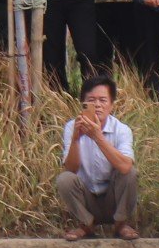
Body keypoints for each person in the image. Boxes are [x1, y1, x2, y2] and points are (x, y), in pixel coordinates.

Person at [55, 74, 139, 239]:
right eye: (92, 100)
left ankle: (120, 224)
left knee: (130, 173)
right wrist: (75, 139)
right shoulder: (72, 126)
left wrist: (98, 137)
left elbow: (125, 167)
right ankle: (87, 225)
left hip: (112, 198)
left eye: (103, 100)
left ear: (112, 105)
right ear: (83, 104)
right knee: (64, 179)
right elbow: (70, 169)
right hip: (88, 198)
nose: (98, 105)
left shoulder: (122, 130)